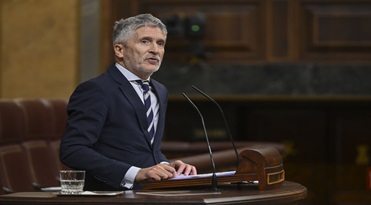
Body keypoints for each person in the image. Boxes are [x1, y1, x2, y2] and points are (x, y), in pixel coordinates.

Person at [60, 13, 197, 191]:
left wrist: (167, 165)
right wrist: (134, 173)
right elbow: (72, 150)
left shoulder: (160, 90)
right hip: (111, 193)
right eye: (145, 41)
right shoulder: (97, 90)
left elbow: (143, 148)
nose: (155, 50)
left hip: (151, 192)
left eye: (160, 43)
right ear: (119, 50)